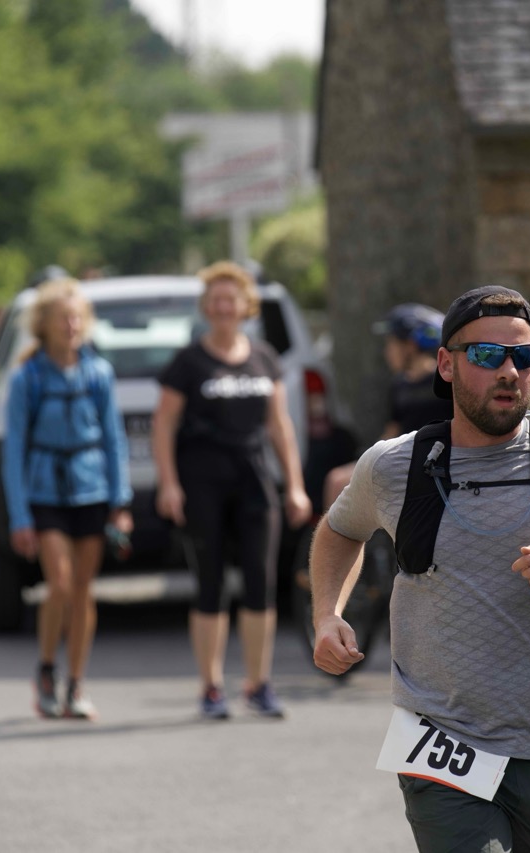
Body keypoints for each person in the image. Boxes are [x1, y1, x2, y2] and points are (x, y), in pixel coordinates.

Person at [309, 285, 530, 852]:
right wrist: (327, 614)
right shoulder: (395, 466)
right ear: (446, 364)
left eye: (523, 356)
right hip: (440, 740)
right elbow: (339, 530)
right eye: (486, 355)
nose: (509, 371)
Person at [151, 261, 312, 720]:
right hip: (202, 482)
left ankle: (259, 684)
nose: (224, 307)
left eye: (231, 299)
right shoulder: (188, 362)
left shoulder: (264, 357)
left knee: (261, 582)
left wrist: (295, 485)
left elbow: (278, 425)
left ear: (246, 306)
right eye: (216, 300)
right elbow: (163, 424)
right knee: (211, 582)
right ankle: (211, 687)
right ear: (206, 307)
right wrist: (169, 484)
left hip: (254, 481)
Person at [2, 277, 133, 720]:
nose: (72, 325)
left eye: (77, 318)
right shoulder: (27, 377)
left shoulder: (99, 373)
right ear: (44, 324)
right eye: (63, 318)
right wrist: (19, 516)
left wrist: (120, 501)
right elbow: (14, 450)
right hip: (45, 492)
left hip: (91, 491)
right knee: (58, 584)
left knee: (82, 590)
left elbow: (113, 439)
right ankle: (46, 669)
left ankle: (75, 683)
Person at [321, 302, 454, 510]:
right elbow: (393, 430)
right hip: (403, 457)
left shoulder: (445, 381)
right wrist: (367, 460)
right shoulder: (400, 385)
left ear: (410, 345)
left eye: (391, 344)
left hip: (432, 463)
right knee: (337, 479)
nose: (387, 352)